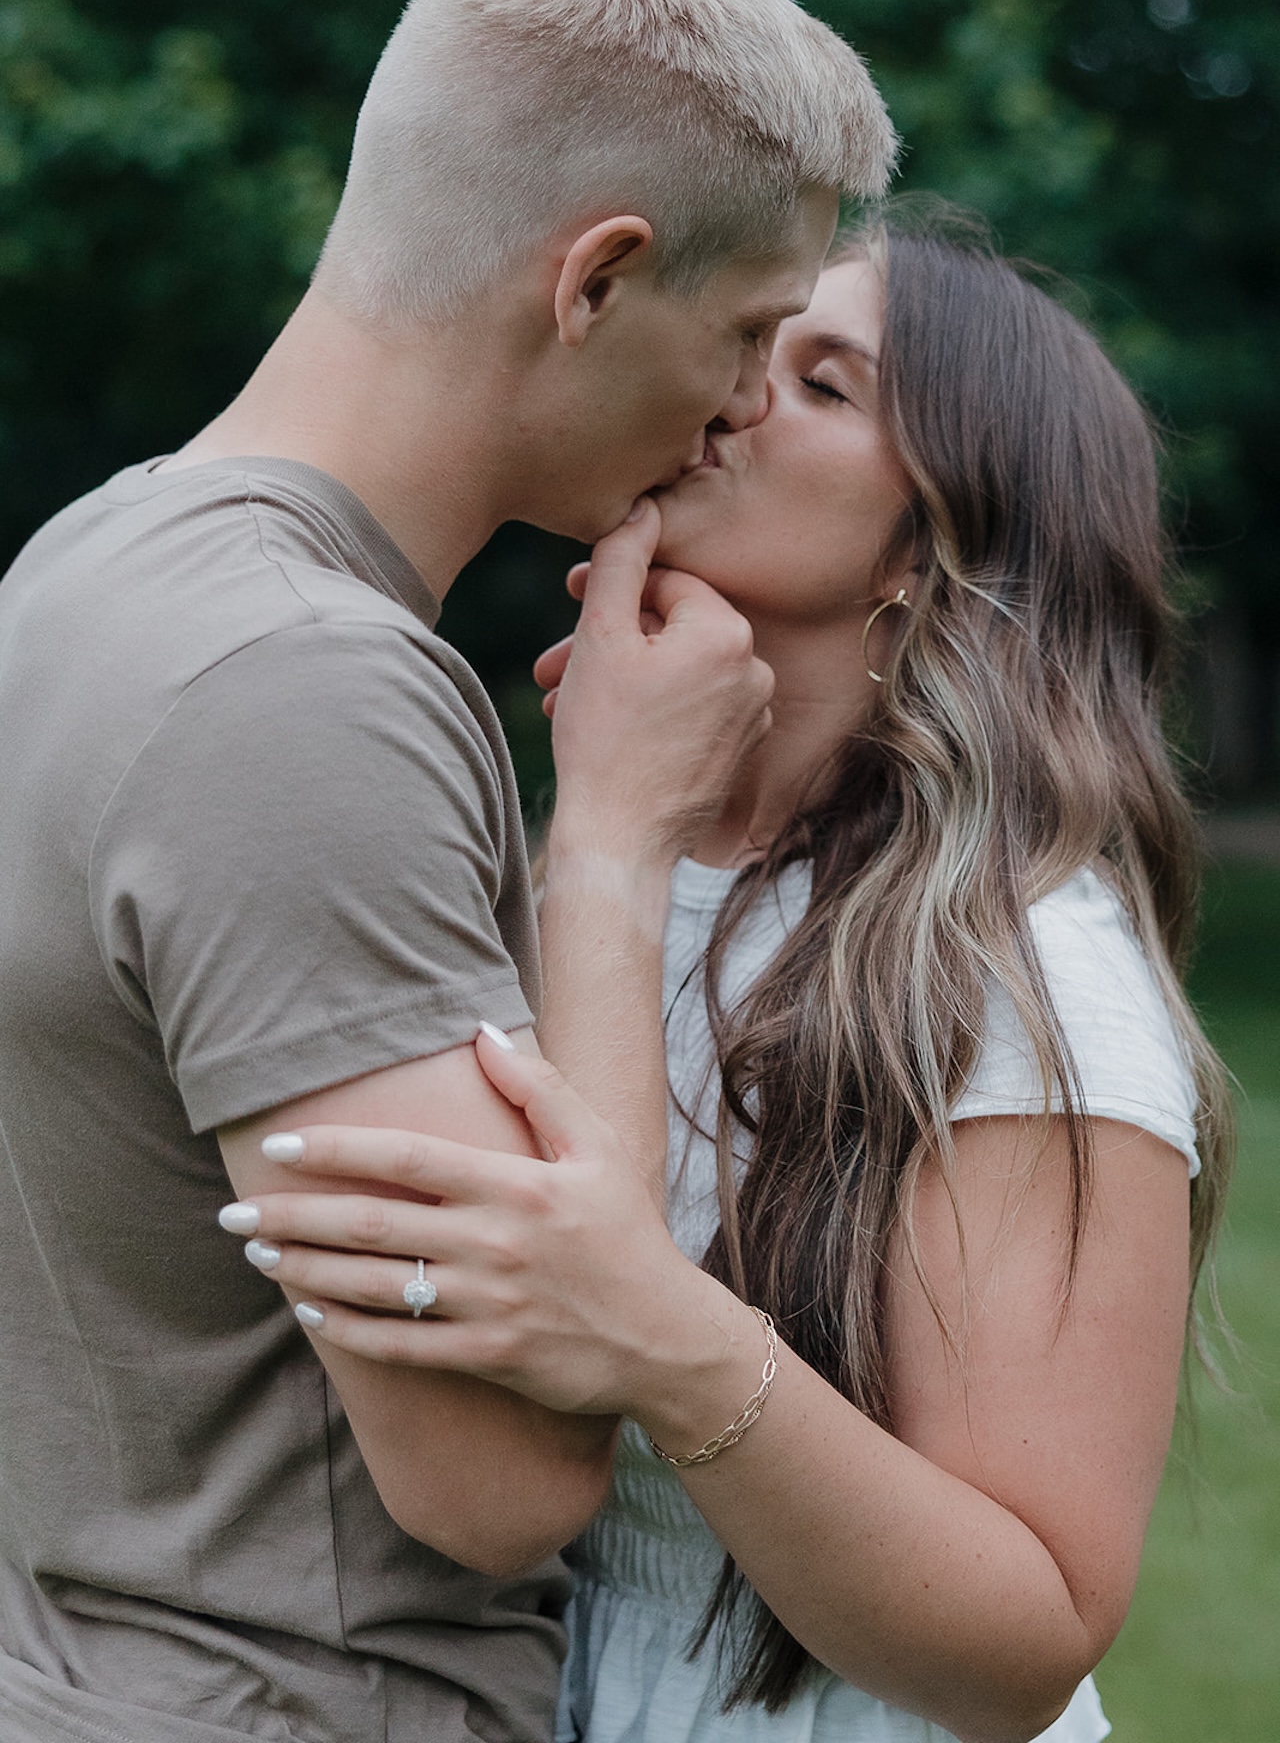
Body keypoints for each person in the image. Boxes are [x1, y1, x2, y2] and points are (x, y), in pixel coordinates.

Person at [0, 0, 896, 1743]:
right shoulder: (299, 691)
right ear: (592, 280)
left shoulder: (86, 564)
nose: (740, 412)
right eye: (745, 333)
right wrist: (622, 835)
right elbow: (496, 1477)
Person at [220, 213, 1233, 1743]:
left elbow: (1031, 1640)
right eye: (757, 346)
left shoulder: (1020, 974)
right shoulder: (590, 856)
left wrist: (668, 1340)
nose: (741, 393)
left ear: (944, 537)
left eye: (826, 385)